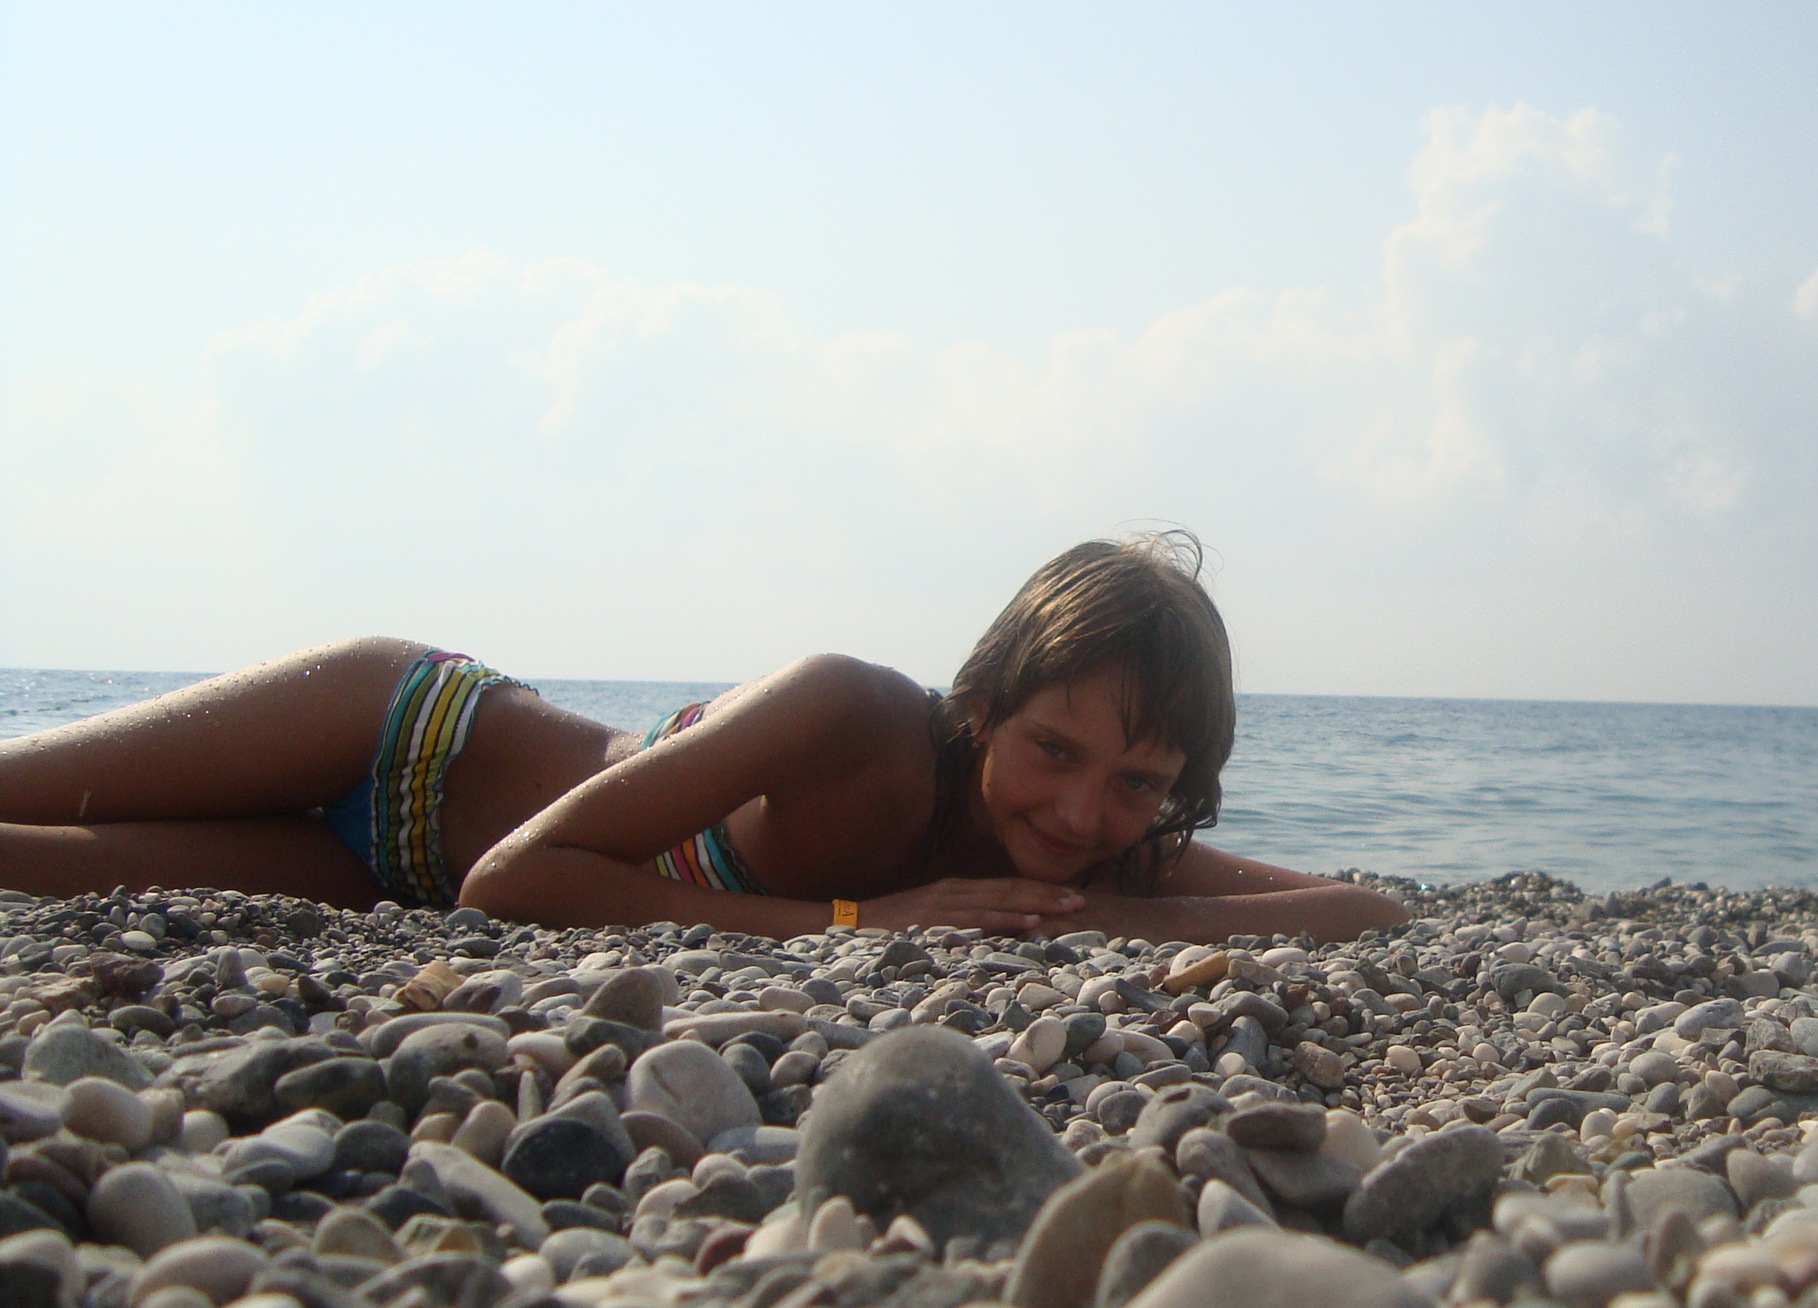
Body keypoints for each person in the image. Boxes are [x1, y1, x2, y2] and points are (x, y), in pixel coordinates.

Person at [0, 533, 1408, 943]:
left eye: (1140, 782)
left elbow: (1365, 910)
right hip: (400, 734)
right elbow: (515, 878)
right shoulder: (852, 712)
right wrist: (863, 922)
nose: (1085, 810)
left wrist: (1103, 921)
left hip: (381, 886)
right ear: (983, 705)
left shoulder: (1086, 858)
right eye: (1055, 750)